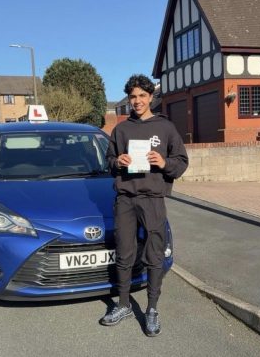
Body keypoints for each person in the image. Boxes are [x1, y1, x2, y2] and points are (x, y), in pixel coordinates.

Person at [100, 74, 188, 336]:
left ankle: (151, 309)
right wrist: (118, 162)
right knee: (125, 254)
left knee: (154, 255)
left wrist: (163, 163)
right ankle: (124, 304)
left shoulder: (166, 128)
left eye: (141, 96)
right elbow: (108, 160)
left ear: (150, 97)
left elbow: (181, 162)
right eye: (132, 97)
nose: (137, 101)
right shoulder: (121, 129)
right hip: (125, 199)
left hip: (152, 199)